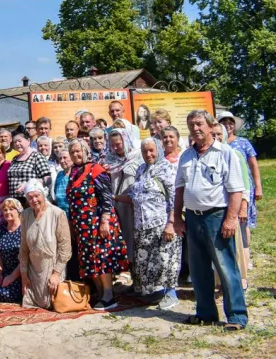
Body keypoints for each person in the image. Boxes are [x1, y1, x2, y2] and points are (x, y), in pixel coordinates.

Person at [173, 110, 247, 330]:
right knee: (198, 270)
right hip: (193, 219)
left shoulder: (225, 153)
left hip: (217, 217)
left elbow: (235, 190)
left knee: (226, 268)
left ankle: (236, 317)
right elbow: (179, 189)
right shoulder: (186, 155)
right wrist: (177, 217)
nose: (195, 129)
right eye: (191, 125)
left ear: (210, 125)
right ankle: (206, 313)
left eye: (198, 124)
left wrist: (230, 219)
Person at [66, 139, 129, 310]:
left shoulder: (96, 169)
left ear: (86, 151)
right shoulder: (73, 172)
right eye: (72, 152)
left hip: (97, 222)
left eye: (79, 151)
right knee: (89, 260)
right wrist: (72, 224)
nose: (76, 155)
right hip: (82, 225)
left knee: (102, 257)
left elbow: (106, 197)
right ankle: (101, 294)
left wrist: (105, 220)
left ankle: (109, 294)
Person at [128, 139, 180, 309]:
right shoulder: (141, 169)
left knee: (166, 258)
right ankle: (154, 293)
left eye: (151, 151)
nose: (148, 155)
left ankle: (170, 293)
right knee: (148, 261)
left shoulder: (166, 167)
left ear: (158, 149)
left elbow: (174, 197)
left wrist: (171, 223)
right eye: (145, 152)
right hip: (142, 224)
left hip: (162, 223)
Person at [218, 110, 262, 268]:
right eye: (224, 122)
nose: (227, 125)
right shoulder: (218, 143)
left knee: (244, 222)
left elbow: (253, 165)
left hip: (243, 186)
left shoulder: (243, 143)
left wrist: (258, 187)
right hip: (225, 190)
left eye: (230, 122)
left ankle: (245, 256)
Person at [20, 180, 72, 310]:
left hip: (52, 266)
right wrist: (24, 274)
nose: (34, 200)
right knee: (28, 302)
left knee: (49, 303)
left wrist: (56, 274)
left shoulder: (57, 213)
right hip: (33, 268)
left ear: (43, 195)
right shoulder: (25, 215)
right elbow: (23, 248)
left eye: (37, 196)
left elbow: (65, 247)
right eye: (30, 197)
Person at [104, 129, 143, 271]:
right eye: (112, 145)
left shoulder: (138, 156)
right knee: (121, 239)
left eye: (118, 144)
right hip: (115, 205)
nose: (115, 148)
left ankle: (136, 275)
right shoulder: (109, 159)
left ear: (126, 141)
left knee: (133, 238)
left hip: (131, 204)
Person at [0, 198, 23, 303]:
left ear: (18, 211)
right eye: (5, 210)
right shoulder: (2, 228)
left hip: (20, 272)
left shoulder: (24, 229)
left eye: (11, 209)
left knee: (7, 295)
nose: (8, 212)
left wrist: (12, 277)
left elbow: (25, 259)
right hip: (5, 270)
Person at [6, 133, 52, 205]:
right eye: (15, 142)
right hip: (15, 201)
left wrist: (28, 184)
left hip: (31, 200)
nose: (17, 144)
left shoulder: (37, 156)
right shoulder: (14, 159)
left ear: (28, 141)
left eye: (19, 141)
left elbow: (48, 179)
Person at [50, 150, 72, 217]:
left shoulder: (75, 174)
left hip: (71, 210)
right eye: (60, 158)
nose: (62, 161)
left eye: (65, 158)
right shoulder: (59, 174)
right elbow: (55, 190)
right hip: (60, 210)